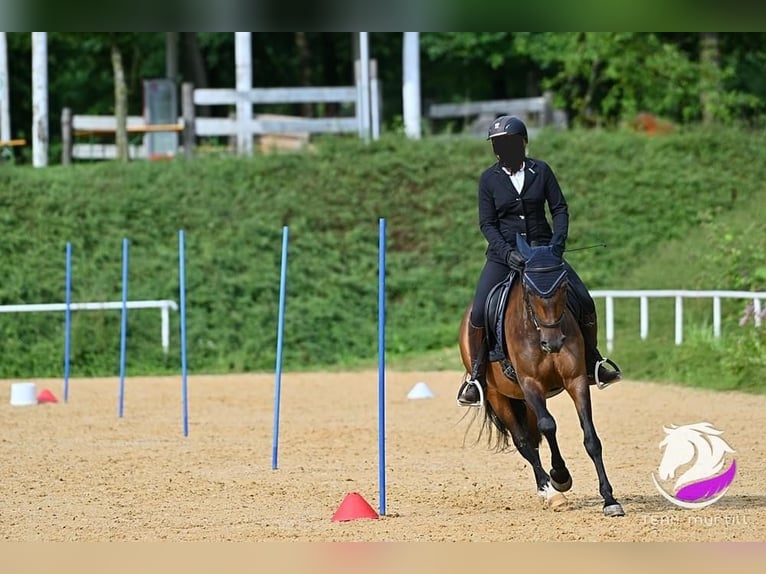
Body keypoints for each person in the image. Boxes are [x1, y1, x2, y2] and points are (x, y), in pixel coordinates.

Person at [457, 115, 621, 407]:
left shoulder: (541, 171)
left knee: (583, 299)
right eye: (498, 144)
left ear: (522, 143)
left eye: (507, 143)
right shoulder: (489, 179)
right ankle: (477, 376)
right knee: (480, 310)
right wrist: (507, 252)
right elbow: (487, 224)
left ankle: (594, 361)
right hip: (504, 256)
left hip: (544, 254)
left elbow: (559, 209)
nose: (502, 149)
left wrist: (557, 244)